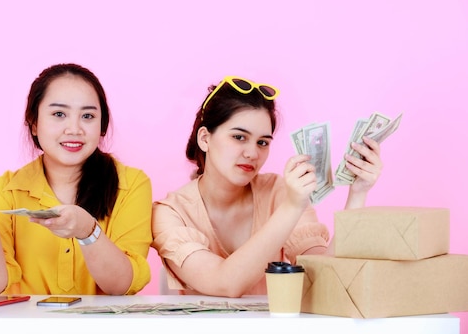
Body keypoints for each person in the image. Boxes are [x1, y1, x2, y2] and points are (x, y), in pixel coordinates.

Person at [0, 63, 153, 296]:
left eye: (87, 116)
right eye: (59, 114)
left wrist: (88, 231)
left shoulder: (131, 185)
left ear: (102, 126)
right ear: (34, 123)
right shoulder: (6, 191)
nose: (74, 128)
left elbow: (121, 286)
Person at [151, 76, 383, 297]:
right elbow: (225, 284)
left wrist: (358, 193)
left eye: (262, 142)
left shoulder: (280, 192)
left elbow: (325, 277)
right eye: (239, 137)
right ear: (205, 138)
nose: (252, 153)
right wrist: (291, 207)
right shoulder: (171, 212)